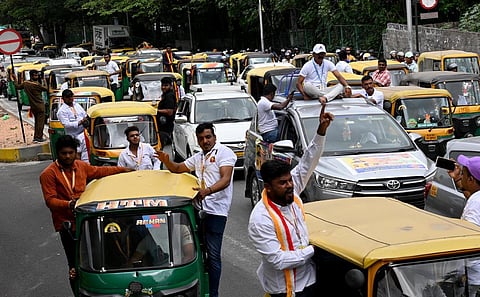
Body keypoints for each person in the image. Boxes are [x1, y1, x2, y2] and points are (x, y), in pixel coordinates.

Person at [248, 103, 334, 297]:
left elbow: (308, 161)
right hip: (285, 291)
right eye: (282, 183)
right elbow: (278, 260)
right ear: (268, 187)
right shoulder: (260, 219)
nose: (289, 185)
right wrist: (314, 251)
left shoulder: (291, 192)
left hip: (310, 281)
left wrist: (321, 131)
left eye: (289, 180)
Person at [39, 135, 132, 292]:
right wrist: (69, 204)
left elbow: (101, 171)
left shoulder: (81, 166)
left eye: (70, 153)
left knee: (97, 258)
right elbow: (50, 201)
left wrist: (123, 170)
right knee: (75, 265)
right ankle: (78, 291)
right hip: (68, 227)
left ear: (76, 153)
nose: (67, 156)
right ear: (57, 154)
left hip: (87, 222)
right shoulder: (48, 174)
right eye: (63, 153)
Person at [156, 122, 237, 297]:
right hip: (198, 209)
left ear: (214, 137)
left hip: (216, 211)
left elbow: (226, 179)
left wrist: (207, 191)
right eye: (201, 139)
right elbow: (178, 169)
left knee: (213, 255)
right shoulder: (199, 156)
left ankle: (213, 293)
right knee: (193, 251)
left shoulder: (225, 153)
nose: (205, 141)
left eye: (208, 137)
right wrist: (166, 160)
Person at [447, 155, 480, 296]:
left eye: (464, 174)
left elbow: (470, 242)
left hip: (475, 278)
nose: (462, 176)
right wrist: (457, 179)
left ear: (471, 179)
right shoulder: (476, 198)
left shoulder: (475, 204)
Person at [13, 69, 48, 143]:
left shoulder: (26, 83)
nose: (37, 76)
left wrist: (15, 79)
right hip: (40, 105)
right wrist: (44, 81)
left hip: (33, 106)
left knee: (37, 122)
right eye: (35, 75)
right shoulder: (36, 85)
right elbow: (46, 88)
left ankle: (36, 137)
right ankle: (39, 137)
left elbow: (18, 87)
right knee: (40, 123)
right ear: (32, 76)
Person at [56, 89, 89, 162]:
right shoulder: (61, 111)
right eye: (68, 97)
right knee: (77, 155)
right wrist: (79, 122)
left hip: (84, 133)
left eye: (71, 96)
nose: (70, 98)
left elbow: (84, 114)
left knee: (86, 154)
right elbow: (66, 124)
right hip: (74, 136)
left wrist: (85, 120)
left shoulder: (77, 105)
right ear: (63, 98)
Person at [157, 77, 177, 146]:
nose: (163, 87)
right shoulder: (165, 95)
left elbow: (169, 111)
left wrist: (156, 111)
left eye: (166, 85)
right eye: (162, 85)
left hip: (166, 128)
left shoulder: (169, 96)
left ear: (170, 86)